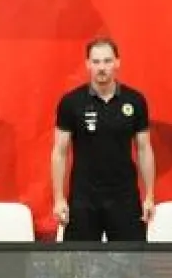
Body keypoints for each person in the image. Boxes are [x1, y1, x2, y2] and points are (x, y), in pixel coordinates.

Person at [52, 37, 156, 242]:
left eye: (107, 61)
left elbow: (144, 149)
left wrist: (150, 196)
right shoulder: (71, 102)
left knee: (131, 265)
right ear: (87, 64)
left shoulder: (135, 101)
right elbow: (60, 152)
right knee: (79, 266)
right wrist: (58, 198)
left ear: (118, 63)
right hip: (84, 198)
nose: (102, 68)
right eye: (96, 62)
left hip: (124, 197)